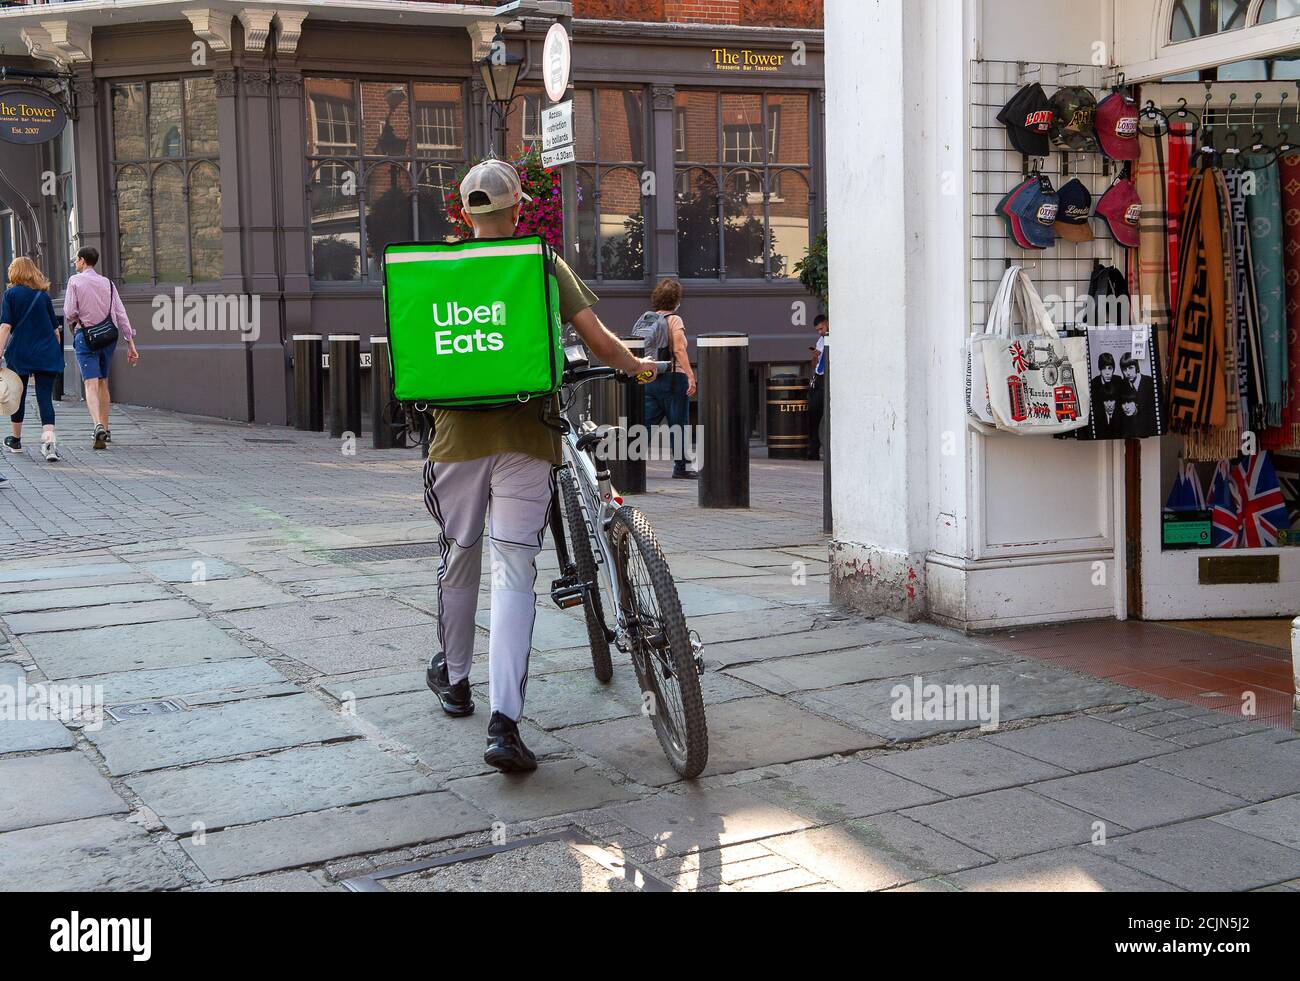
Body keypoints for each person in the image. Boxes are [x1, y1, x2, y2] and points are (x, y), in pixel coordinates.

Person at [423, 159, 658, 774]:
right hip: (531, 434)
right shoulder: (541, 262)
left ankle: (454, 677)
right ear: (518, 210)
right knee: (513, 572)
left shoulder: (436, 268)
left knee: (459, 555)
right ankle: (505, 726)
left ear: (465, 214)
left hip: (455, 440)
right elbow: (600, 338)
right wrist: (637, 368)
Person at [63, 247, 139, 450]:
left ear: (82, 261)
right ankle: (106, 427)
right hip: (108, 336)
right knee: (103, 382)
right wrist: (130, 341)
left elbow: (70, 311)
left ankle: (97, 425)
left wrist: (76, 318)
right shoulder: (108, 284)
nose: (75, 263)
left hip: (86, 337)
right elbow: (120, 313)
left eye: (76, 260)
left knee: (90, 383)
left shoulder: (75, 281)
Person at [1, 257, 64, 463]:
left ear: (15, 272)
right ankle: (49, 444)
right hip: (46, 352)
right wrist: (55, 350)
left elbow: (6, 327)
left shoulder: (10, 294)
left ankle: (16, 440)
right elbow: (56, 331)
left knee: (17, 396)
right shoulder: (42, 296)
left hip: (20, 353)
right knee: (45, 399)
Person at [639, 279, 697, 479]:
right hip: (673, 377)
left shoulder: (647, 319)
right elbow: (679, 349)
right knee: (678, 424)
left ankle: (625, 465)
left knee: (644, 424)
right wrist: (690, 375)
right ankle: (681, 467)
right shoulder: (675, 320)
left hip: (650, 377)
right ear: (676, 300)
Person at [807, 314, 829, 460]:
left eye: (821, 328)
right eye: (817, 330)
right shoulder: (820, 341)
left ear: (827, 323)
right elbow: (815, 366)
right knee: (813, 413)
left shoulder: (833, 338)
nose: (820, 332)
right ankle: (813, 449)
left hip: (827, 378)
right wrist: (814, 357)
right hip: (818, 378)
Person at [1118, 352, 1157, 437]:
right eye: (1124, 370)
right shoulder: (1121, 385)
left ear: (1137, 367)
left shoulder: (1150, 382)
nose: (1128, 373)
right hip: (1129, 434)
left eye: (1131, 368)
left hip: (1150, 433)